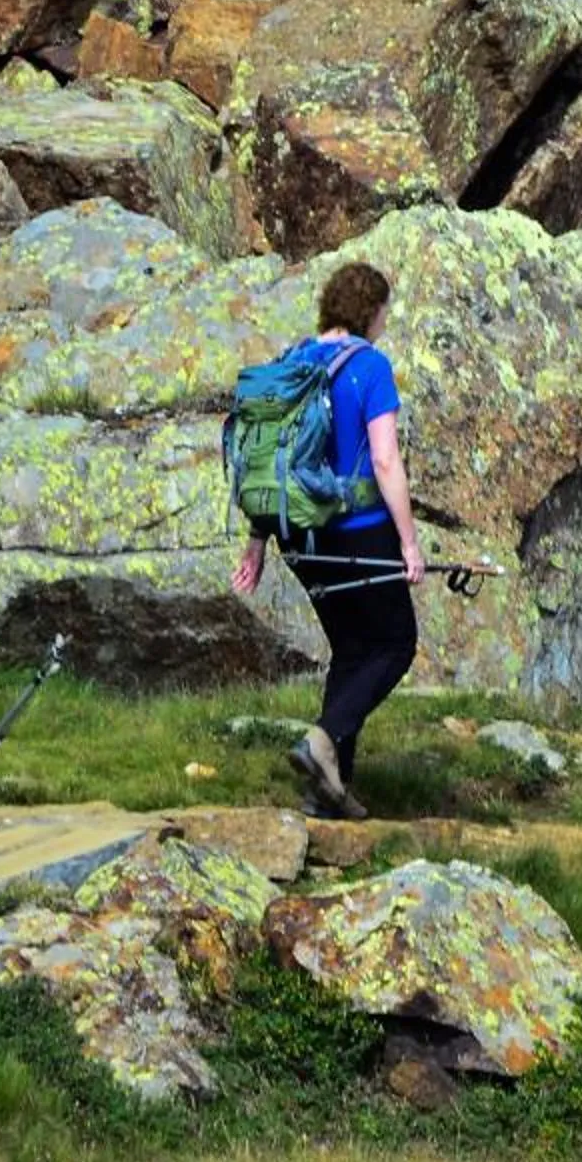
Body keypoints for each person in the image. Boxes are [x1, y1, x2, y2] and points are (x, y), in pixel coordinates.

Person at [230, 264, 424, 821]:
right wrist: (409, 544)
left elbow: (273, 460)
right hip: (356, 531)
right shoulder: (370, 366)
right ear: (373, 311)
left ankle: (329, 790)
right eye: (385, 310)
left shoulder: (295, 360)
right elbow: (385, 459)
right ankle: (323, 742)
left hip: (298, 538)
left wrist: (257, 542)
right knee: (393, 644)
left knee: (353, 648)